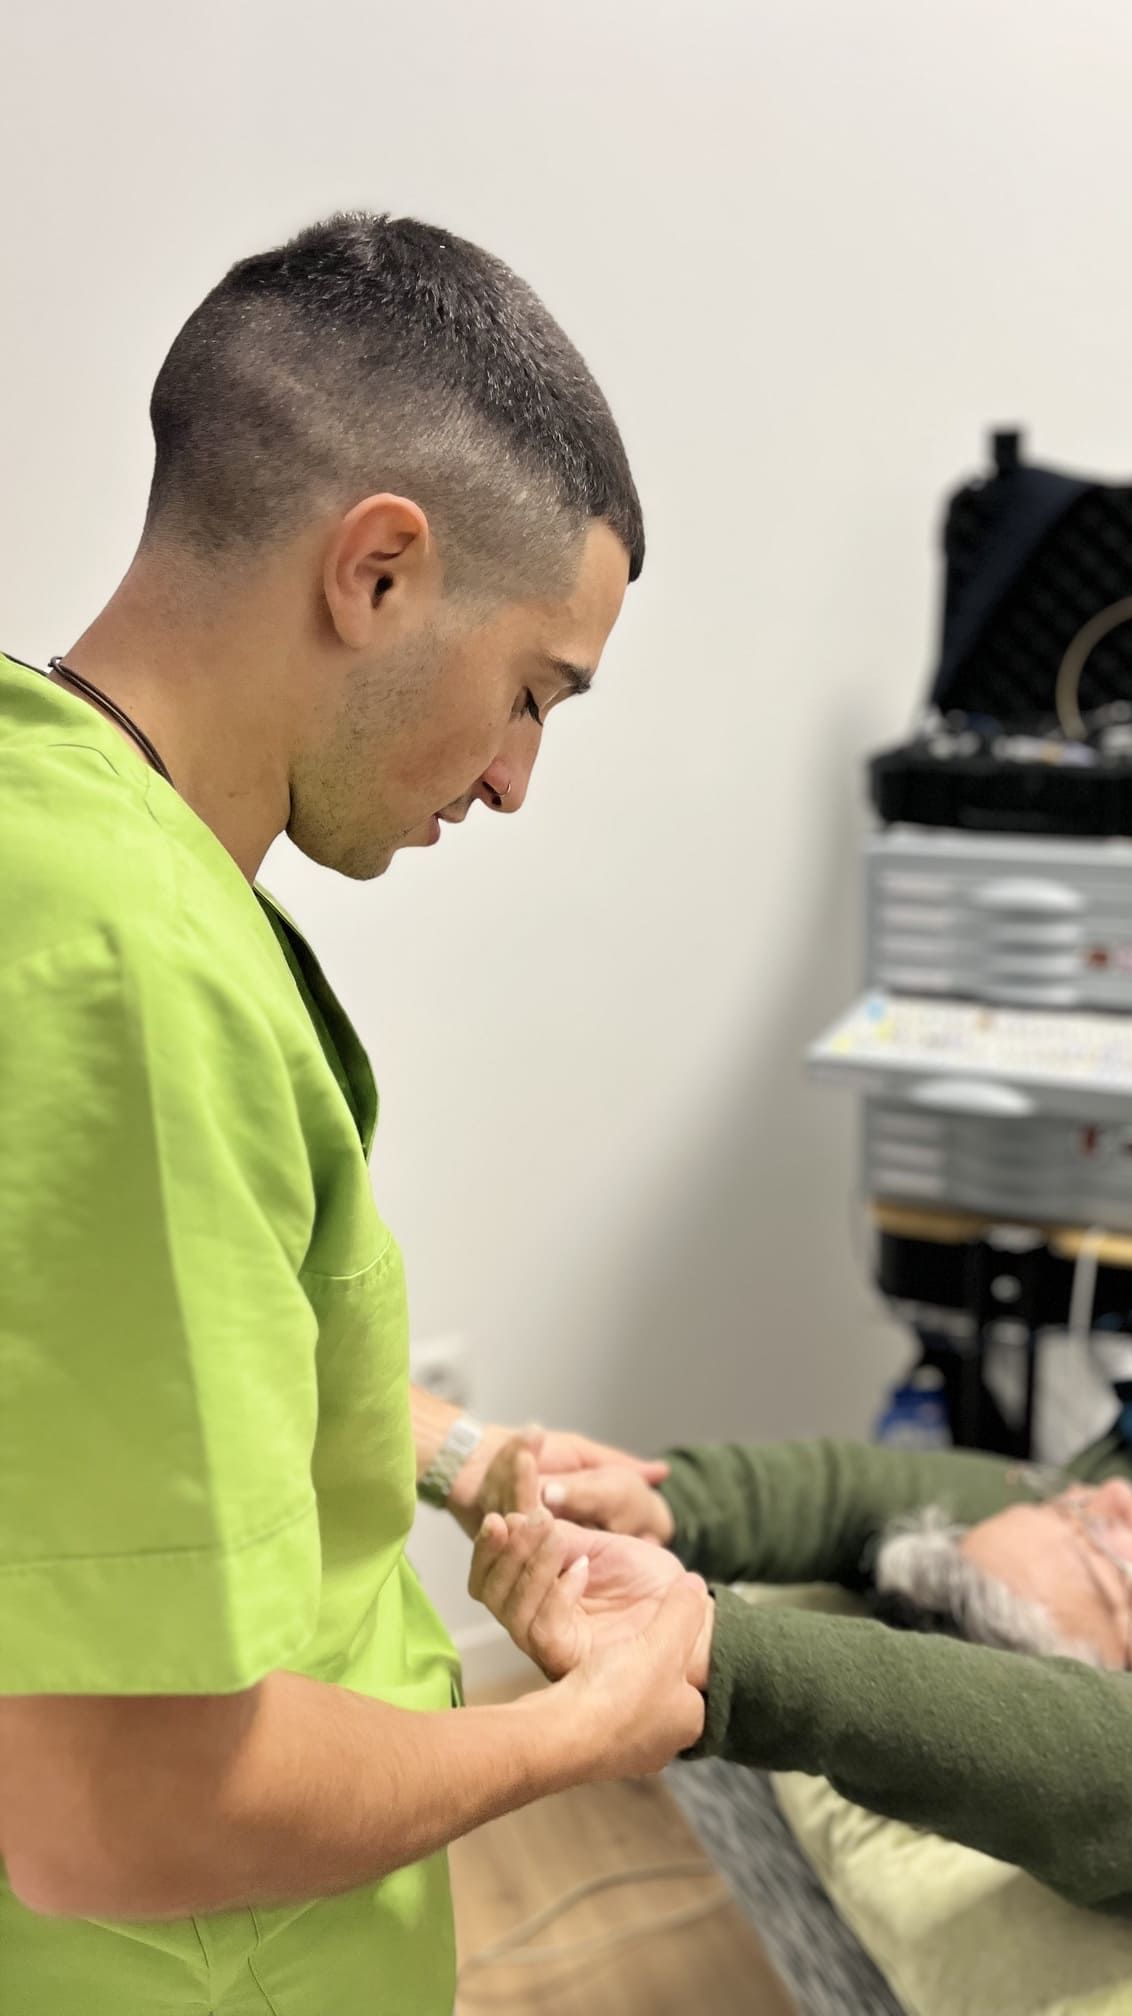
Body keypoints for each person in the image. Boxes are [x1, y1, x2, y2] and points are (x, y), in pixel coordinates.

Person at [0, 214, 708, 2016]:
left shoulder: (49, 827)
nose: (515, 778)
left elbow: (86, 1390)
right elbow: (114, 1813)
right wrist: (579, 1731)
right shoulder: (136, 978)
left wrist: (464, 1456)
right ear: (378, 569)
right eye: (533, 691)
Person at [471, 1298, 1132, 1966]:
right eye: (1105, 1562)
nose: (1106, 1501)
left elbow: (876, 1488)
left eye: (1074, 1508)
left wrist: (676, 1502)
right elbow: (1105, 1765)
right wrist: (712, 1654)